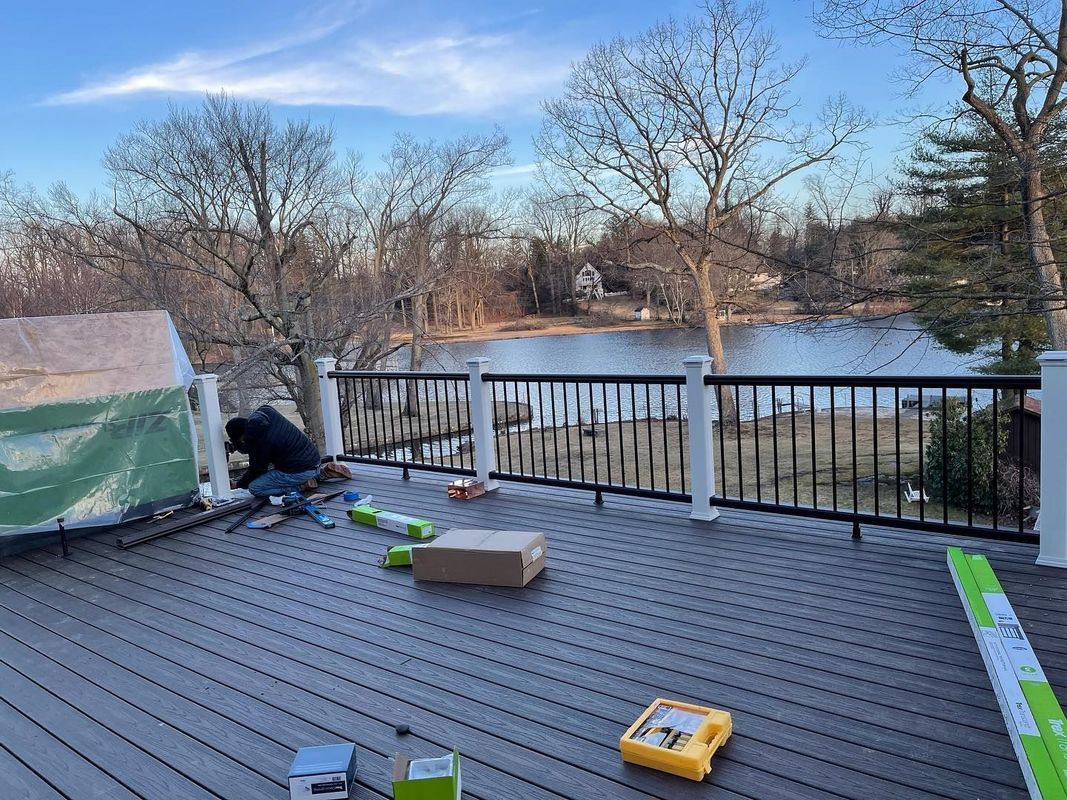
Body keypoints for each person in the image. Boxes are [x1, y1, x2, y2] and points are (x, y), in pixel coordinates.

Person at [225, 406, 322, 497]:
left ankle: (299, 486)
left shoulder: (260, 442)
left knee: (254, 487)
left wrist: (238, 484)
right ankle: (316, 475)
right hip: (314, 461)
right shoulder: (267, 411)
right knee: (271, 468)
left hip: (302, 471)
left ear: (243, 437)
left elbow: (257, 470)